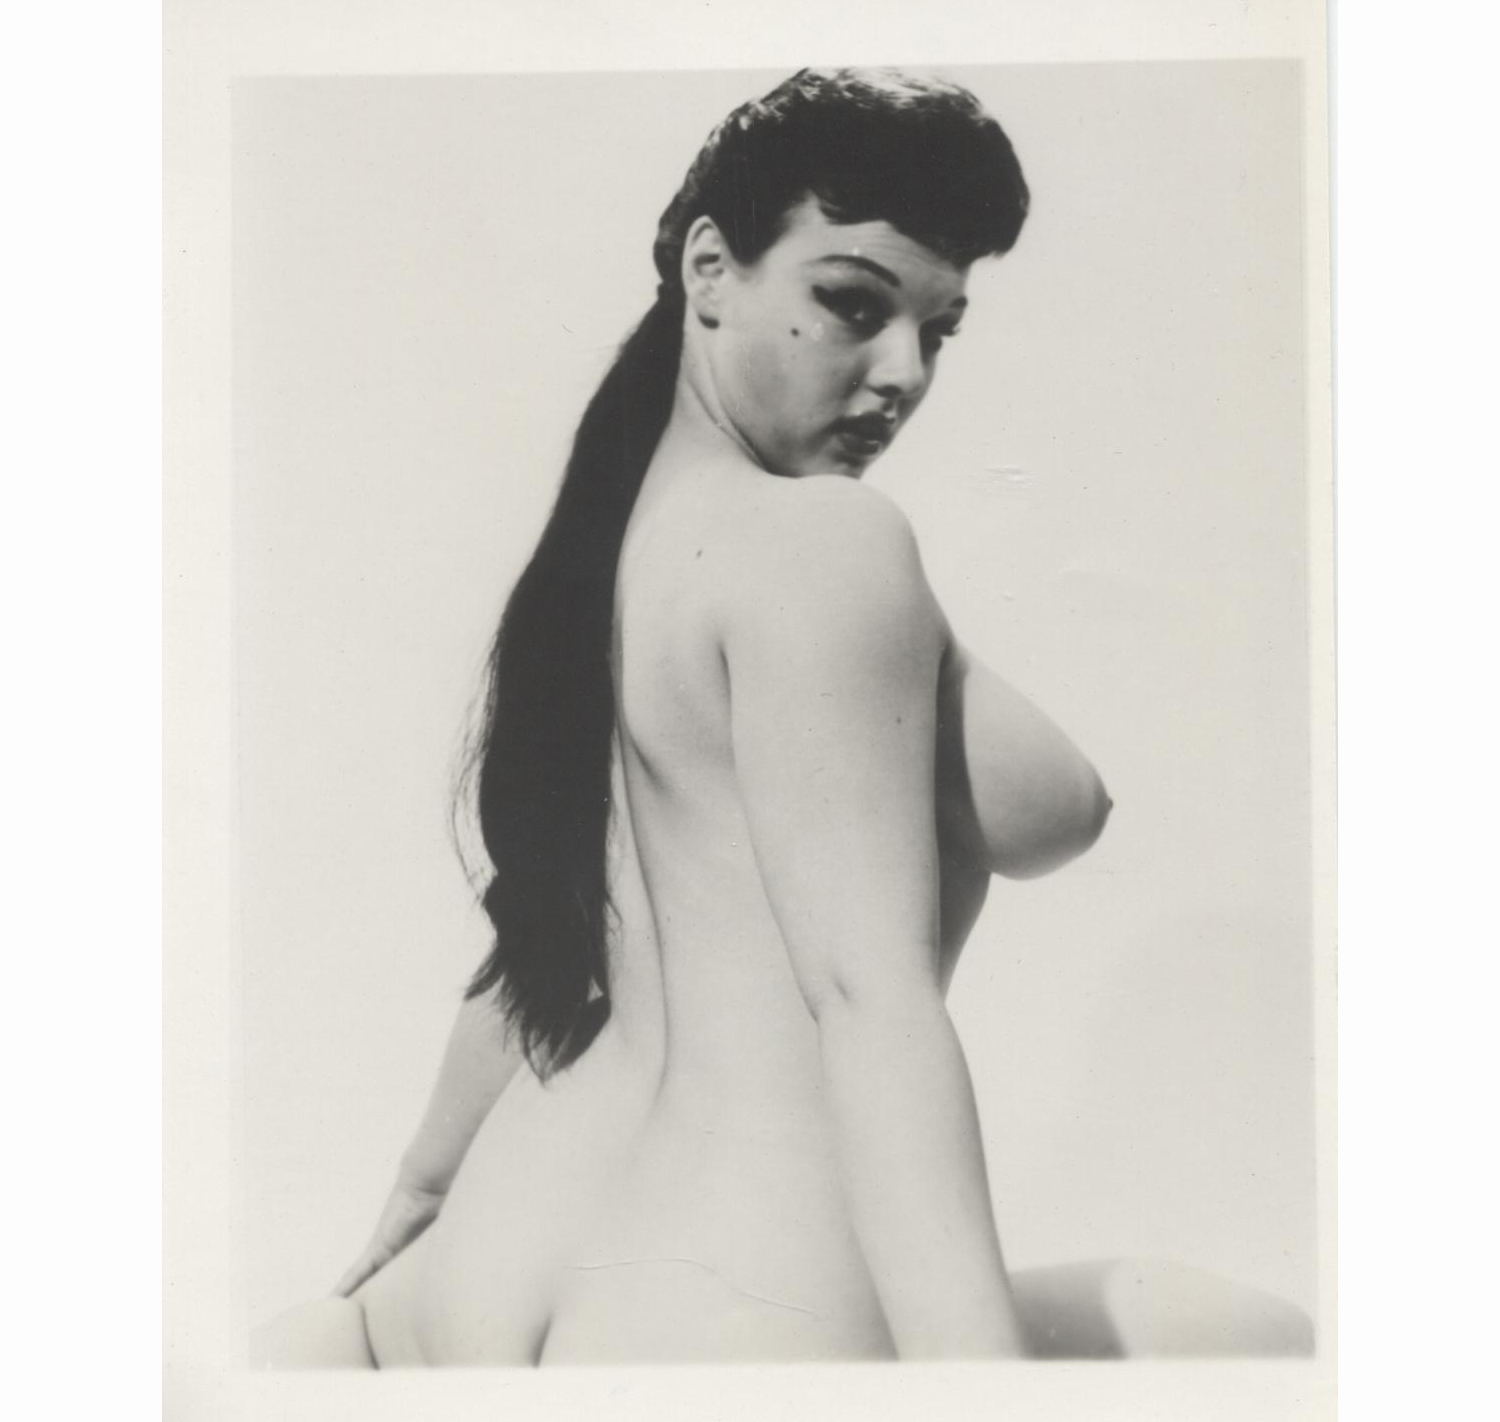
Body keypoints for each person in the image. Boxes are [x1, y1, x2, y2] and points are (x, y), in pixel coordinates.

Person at [252, 67, 1313, 1367]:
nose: (904, 372)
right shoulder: (825, 547)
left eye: (940, 329)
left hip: (493, 1255)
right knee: (1278, 1346)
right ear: (710, 268)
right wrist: (987, 1393)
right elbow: (870, 998)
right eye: (855, 304)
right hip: (735, 1295)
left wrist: (426, 1181)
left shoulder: (617, 548)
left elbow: (548, 923)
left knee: (1211, 1316)